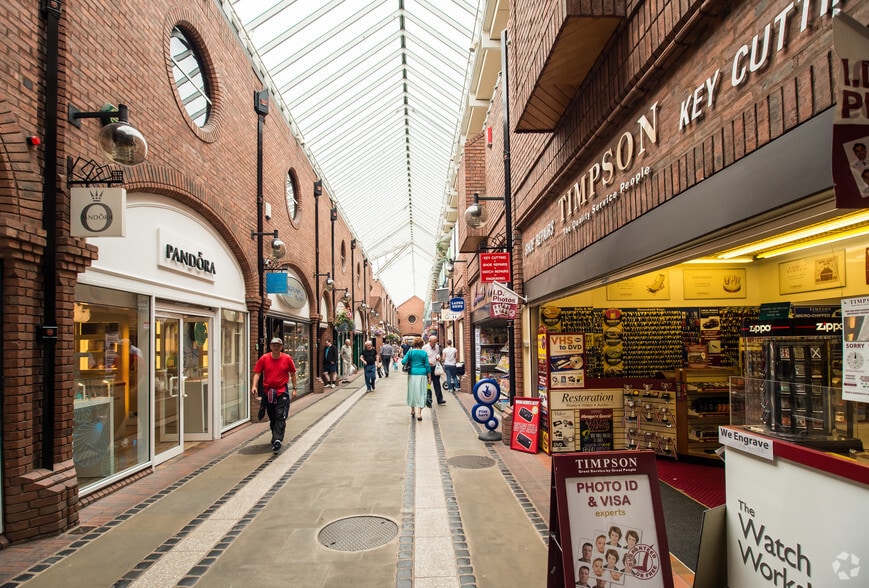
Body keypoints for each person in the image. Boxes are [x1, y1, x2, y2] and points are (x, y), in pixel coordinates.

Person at [251, 337, 298, 453]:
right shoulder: (264, 358)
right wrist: (254, 386)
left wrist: (294, 388)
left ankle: (278, 439)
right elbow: (257, 373)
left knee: (280, 415)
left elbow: (292, 374)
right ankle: (275, 436)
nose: (276, 347)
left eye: (278, 345)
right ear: (270, 346)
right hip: (268, 392)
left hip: (282, 391)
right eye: (274, 345)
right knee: (272, 416)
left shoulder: (287, 358)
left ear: (281, 347)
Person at [402, 337, 431, 420]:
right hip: (422, 374)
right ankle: (419, 413)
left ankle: (412, 410)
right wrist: (429, 376)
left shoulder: (410, 352)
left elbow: (403, 362)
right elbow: (427, 365)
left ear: (414, 344)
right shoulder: (424, 353)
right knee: (421, 392)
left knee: (412, 391)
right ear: (422, 344)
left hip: (412, 373)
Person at [422, 335, 445, 405]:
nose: (435, 344)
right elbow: (423, 358)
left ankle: (439, 399)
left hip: (435, 367)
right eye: (433, 342)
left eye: (436, 342)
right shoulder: (425, 348)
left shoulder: (437, 347)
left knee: (437, 383)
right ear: (430, 341)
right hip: (428, 368)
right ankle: (427, 399)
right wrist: (428, 362)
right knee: (428, 384)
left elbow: (438, 354)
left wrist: (438, 358)